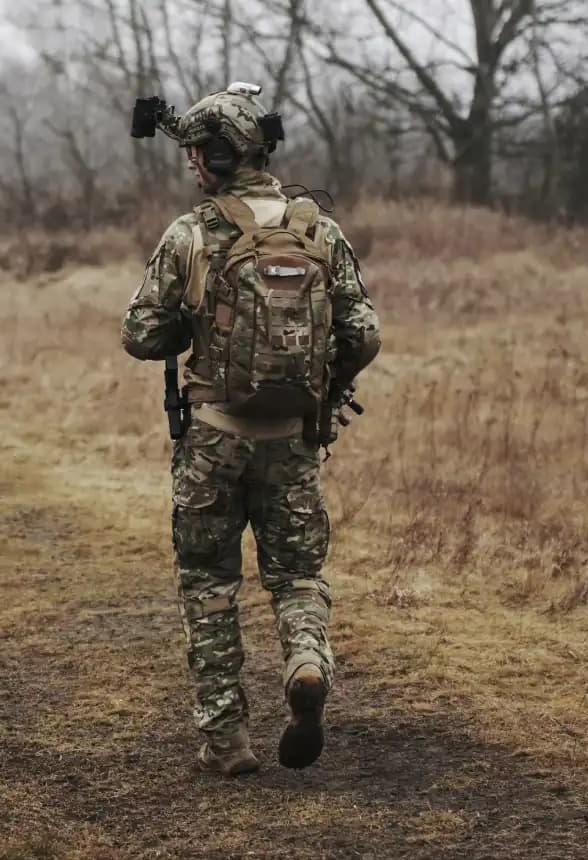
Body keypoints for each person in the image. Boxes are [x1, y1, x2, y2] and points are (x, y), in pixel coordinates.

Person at [121, 85, 381, 774]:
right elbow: (363, 331)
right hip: (292, 439)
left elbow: (140, 336)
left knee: (208, 584)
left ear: (211, 157)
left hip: (210, 440)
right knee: (296, 575)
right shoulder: (316, 230)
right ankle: (303, 660)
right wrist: (326, 392)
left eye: (193, 156)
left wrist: (189, 322)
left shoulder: (191, 234)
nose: (189, 168)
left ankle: (226, 741)